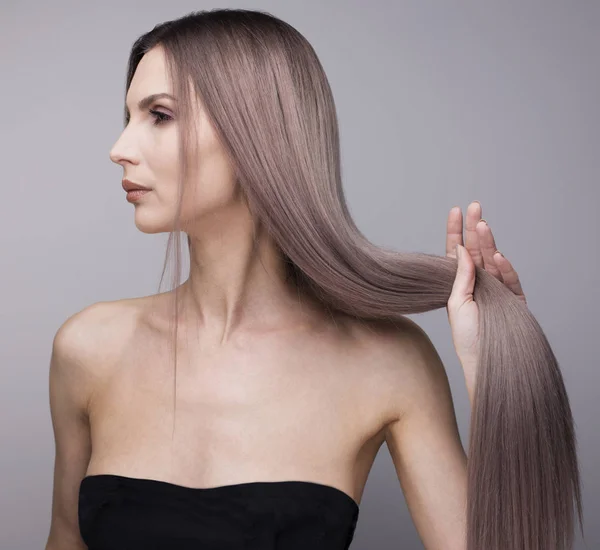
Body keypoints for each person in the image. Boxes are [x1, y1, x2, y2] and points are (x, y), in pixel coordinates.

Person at [45, 9, 583, 550]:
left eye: (159, 116)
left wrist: (489, 373)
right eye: (128, 117)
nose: (120, 148)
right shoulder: (90, 349)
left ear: (256, 130)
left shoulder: (388, 362)